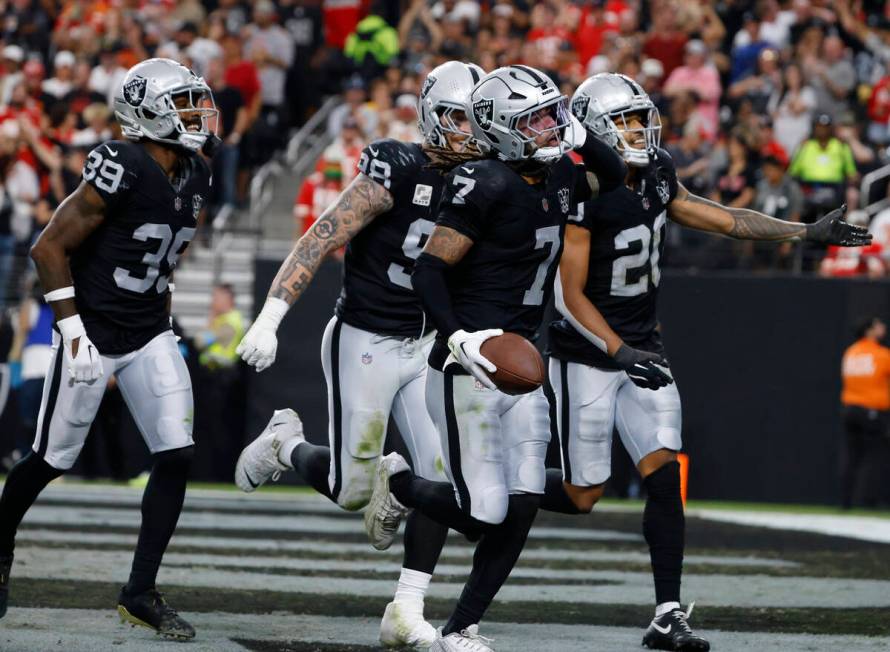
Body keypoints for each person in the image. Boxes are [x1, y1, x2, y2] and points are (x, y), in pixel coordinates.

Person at [541, 72, 872, 652]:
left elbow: (723, 217)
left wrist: (805, 232)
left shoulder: (660, 171)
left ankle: (667, 612)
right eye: (625, 121)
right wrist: (620, 351)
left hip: (644, 347)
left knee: (664, 475)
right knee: (582, 496)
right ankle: (483, 487)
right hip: (590, 353)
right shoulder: (580, 182)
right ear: (594, 125)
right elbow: (568, 296)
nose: (640, 130)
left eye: (642, 118)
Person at [362, 64, 627, 652]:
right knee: (483, 514)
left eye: (553, 112)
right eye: (537, 116)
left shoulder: (558, 173)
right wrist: (457, 337)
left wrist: (583, 138)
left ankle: (462, 627)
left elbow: (615, 174)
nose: (552, 125)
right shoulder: (482, 181)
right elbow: (430, 270)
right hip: (471, 364)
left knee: (525, 505)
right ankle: (402, 483)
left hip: (523, 362)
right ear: (505, 128)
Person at [234, 61, 484, 650]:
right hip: (365, 340)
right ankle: (284, 444)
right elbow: (323, 233)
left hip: (424, 344)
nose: (468, 132)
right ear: (429, 115)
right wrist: (270, 319)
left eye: (478, 120)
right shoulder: (396, 166)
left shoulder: (490, 178)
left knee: (443, 478)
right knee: (350, 492)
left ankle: (407, 607)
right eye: (456, 118)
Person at [0, 58, 219, 639]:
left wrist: (164, 322)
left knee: (176, 454)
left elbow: (163, 261)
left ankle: (139, 591)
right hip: (90, 329)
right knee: (50, 460)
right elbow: (48, 249)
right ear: (147, 112)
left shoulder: (197, 174)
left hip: (146, 332)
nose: (199, 114)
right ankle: (0, 545)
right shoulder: (122, 163)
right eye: (185, 103)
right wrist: (72, 333)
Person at [840, 317, 890, 508]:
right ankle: (870, 501)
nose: (883, 327)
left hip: (850, 409)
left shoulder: (851, 352)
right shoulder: (880, 354)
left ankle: (846, 502)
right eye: (879, 325)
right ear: (869, 330)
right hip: (871, 410)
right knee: (876, 456)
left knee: (852, 456)